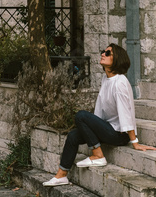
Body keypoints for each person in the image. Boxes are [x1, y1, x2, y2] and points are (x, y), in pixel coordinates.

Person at [43, 43, 156, 186]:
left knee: (81, 115)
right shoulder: (106, 79)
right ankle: (61, 175)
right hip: (108, 128)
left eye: (108, 53)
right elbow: (100, 110)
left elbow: (125, 113)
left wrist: (135, 142)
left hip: (119, 134)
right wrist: (94, 128)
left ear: (117, 60)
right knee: (73, 136)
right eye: (103, 51)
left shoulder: (120, 82)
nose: (103, 54)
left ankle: (98, 155)